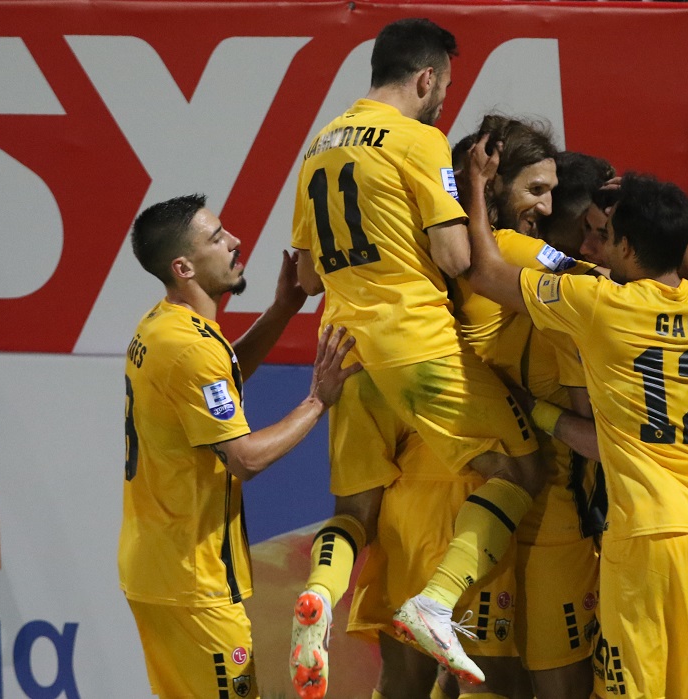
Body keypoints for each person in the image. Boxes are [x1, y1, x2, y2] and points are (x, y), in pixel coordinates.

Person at [289, 19, 546, 695]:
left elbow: (307, 277)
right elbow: (456, 257)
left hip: (342, 350)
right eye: (445, 88)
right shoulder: (419, 139)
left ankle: (318, 594)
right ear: (426, 77)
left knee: (356, 509)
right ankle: (437, 601)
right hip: (414, 343)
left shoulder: (319, 144)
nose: (443, 102)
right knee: (519, 466)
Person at [464, 141, 688, 699]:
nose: (593, 243)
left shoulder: (601, 305)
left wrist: (478, 189)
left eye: (606, 233)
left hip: (645, 539)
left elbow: (485, 273)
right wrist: (652, 203)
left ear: (624, 245)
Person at [119, 193, 361, 699]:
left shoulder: (161, 326)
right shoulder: (190, 348)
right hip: (196, 582)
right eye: (217, 238)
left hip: (158, 571)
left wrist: (281, 310)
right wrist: (317, 401)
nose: (235, 241)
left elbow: (220, 384)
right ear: (183, 267)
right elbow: (245, 458)